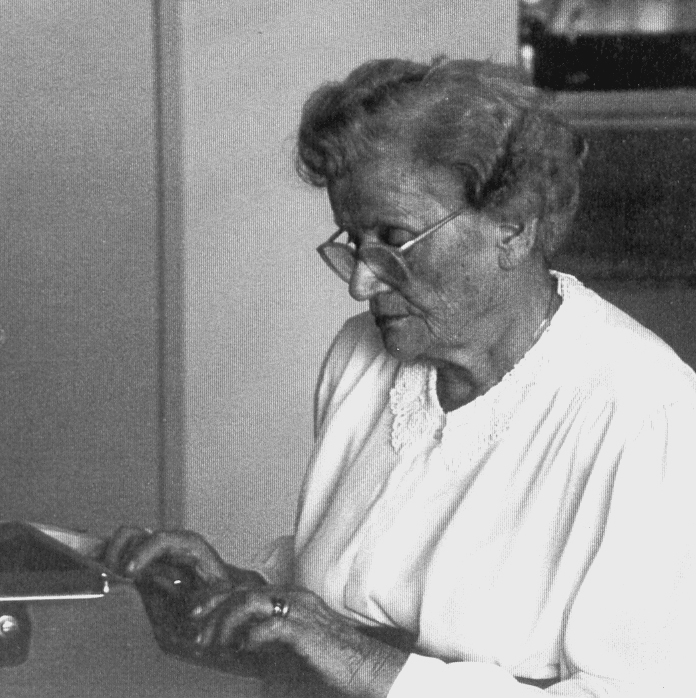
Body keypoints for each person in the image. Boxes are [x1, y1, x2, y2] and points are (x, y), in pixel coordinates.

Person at [104, 58, 696, 697]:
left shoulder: (647, 415)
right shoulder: (361, 356)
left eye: (395, 239)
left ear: (514, 227)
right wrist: (239, 596)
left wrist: (361, 663)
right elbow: (345, 612)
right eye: (354, 244)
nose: (362, 283)